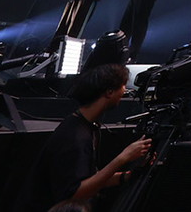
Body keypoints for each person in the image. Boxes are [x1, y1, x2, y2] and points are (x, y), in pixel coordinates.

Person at [13, 63, 151, 212]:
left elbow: (91, 179)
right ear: (109, 92)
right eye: (123, 86)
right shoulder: (75, 137)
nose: (125, 91)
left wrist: (126, 176)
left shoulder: (84, 126)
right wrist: (123, 158)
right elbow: (74, 195)